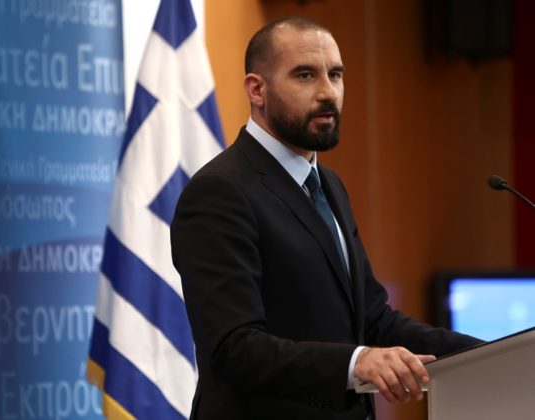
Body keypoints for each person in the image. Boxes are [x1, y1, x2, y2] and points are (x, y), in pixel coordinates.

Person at [170, 16, 482, 420]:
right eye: (305, 75)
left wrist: (489, 355)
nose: (327, 92)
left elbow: (372, 319)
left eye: (335, 75)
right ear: (257, 89)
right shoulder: (220, 191)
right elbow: (234, 348)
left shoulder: (329, 185)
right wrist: (356, 363)